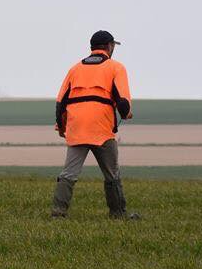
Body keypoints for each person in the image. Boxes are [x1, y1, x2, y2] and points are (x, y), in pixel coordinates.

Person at [50, 30, 139, 219]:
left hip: (77, 128)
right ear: (109, 46)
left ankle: (58, 213)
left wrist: (61, 127)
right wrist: (126, 113)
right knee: (112, 174)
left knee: (69, 173)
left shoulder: (75, 69)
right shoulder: (116, 68)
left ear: (92, 48)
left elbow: (60, 102)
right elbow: (123, 100)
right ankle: (118, 214)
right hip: (101, 130)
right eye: (113, 45)